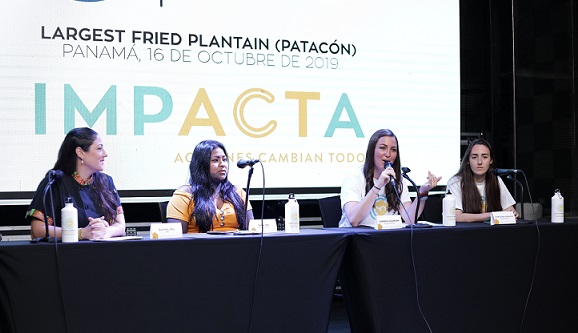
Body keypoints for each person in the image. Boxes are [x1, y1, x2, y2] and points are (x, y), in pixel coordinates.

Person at [26, 127, 125, 240]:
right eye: (99, 148)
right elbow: (37, 229)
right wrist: (81, 233)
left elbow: (120, 225)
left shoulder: (107, 182)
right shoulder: (54, 182)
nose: (105, 154)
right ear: (80, 153)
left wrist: (105, 232)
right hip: (68, 255)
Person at [339, 129, 441, 228]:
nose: (388, 154)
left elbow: (409, 218)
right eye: (382, 148)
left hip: (387, 238)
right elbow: (354, 220)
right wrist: (378, 185)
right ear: (372, 151)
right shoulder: (354, 177)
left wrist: (422, 193)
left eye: (393, 150)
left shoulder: (398, 179)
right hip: (358, 240)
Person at [166, 140, 254, 233]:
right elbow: (175, 239)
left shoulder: (238, 192)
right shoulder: (185, 194)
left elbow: (253, 230)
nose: (222, 164)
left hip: (237, 246)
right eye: (215, 160)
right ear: (201, 165)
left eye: (224, 159)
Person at [446, 138, 518, 222]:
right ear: (468, 161)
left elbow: (509, 210)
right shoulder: (456, 182)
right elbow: (456, 216)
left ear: (491, 160)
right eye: (474, 157)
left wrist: (512, 214)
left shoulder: (496, 180)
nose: (479, 162)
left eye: (484, 157)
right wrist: (491, 215)